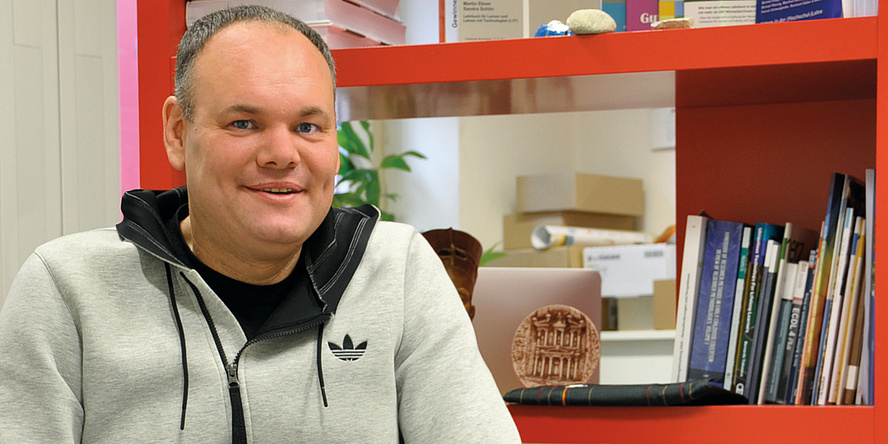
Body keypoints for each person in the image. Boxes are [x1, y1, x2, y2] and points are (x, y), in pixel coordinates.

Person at [0, 5, 521, 443]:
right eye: (243, 123)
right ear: (179, 133)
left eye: (307, 126)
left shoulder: (398, 271)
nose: (281, 154)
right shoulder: (67, 287)